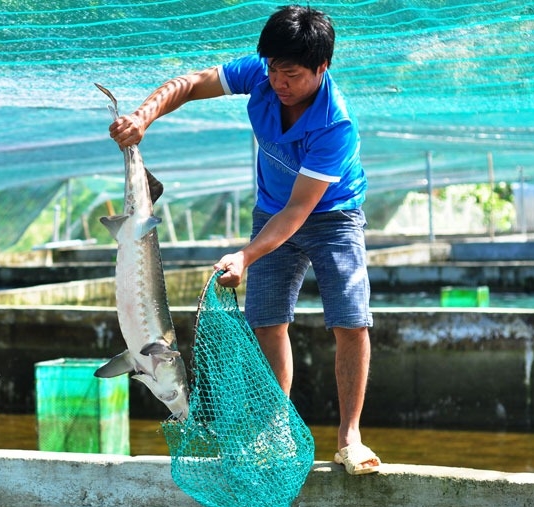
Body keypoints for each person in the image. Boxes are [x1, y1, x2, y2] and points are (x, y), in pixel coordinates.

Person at [108, 4, 381, 475]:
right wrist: (143, 116)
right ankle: (272, 429)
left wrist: (246, 255)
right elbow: (192, 83)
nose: (279, 81)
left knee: (350, 322)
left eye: (291, 74)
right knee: (268, 321)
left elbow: (301, 210)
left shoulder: (336, 125)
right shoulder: (261, 73)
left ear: (322, 68)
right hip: (272, 211)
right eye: (273, 69)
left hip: (333, 215)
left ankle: (349, 437)